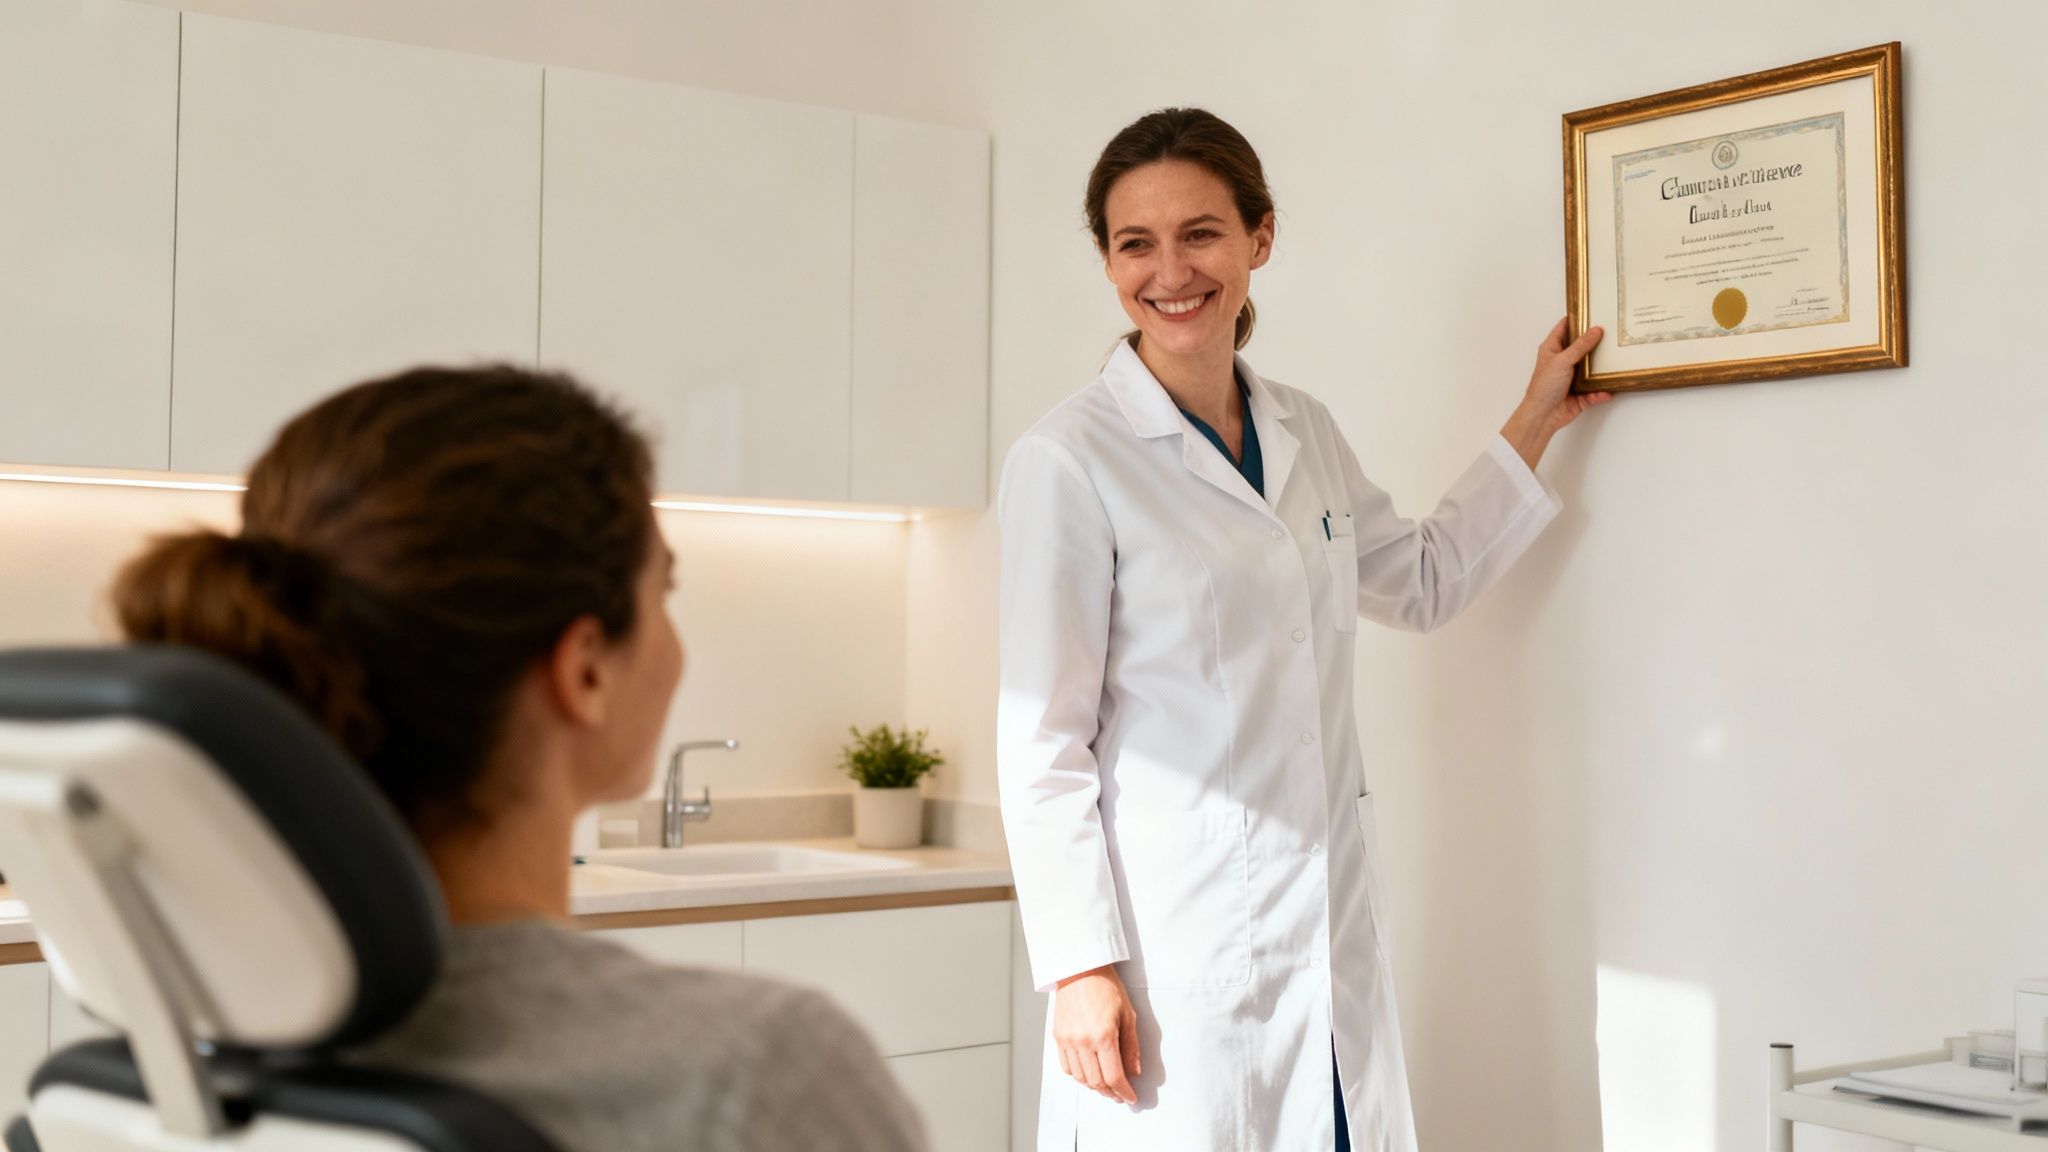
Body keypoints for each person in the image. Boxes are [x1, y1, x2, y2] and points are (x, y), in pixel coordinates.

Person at [112, 365, 927, 1152]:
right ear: (585, 670)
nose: (677, 647)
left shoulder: (174, 1049)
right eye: (664, 594)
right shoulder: (757, 1076)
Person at [996, 108, 1611, 1151]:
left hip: (1322, 934)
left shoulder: (1302, 429)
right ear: (1107, 261)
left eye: (1201, 233)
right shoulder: (1068, 460)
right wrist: (1080, 966)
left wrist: (1535, 418)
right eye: (1135, 243)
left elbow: (1419, 580)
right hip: (1174, 950)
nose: (1170, 272)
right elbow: (1041, 741)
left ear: (1260, 237)